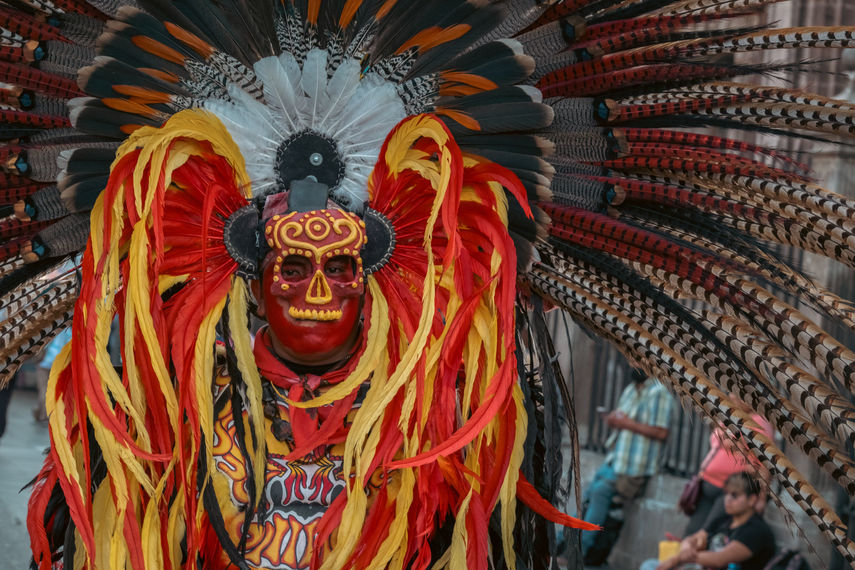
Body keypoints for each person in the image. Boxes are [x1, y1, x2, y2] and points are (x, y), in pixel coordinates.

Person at [582, 369, 676, 562]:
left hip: (634, 466)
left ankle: (579, 549)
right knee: (587, 495)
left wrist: (627, 423)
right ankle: (563, 542)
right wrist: (613, 420)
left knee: (599, 493)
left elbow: (661, 432)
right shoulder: (631, 389)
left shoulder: (659, 393)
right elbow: (623, 419)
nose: (632, 364)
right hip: (615, 459)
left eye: (637, 360)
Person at [641, 471, 776, 570]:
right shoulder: (724, 520)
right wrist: (687, 549)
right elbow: (692, 539)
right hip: (696, 565)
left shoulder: (756, 530)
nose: (727, 499)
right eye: (726, 494)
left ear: (752, 500)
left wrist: (677, 559)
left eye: (734, 495)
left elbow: (719, 559)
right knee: (650, 565)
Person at [683, 396, 774, 536]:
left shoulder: (759, 422)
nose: (733, 398)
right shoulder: (730, 414)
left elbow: (765, 463)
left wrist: (761, 498)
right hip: (708, 483)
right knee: (692, 531)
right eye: (731, 393)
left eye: (738, 395)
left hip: (730, 490)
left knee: (707, 534)